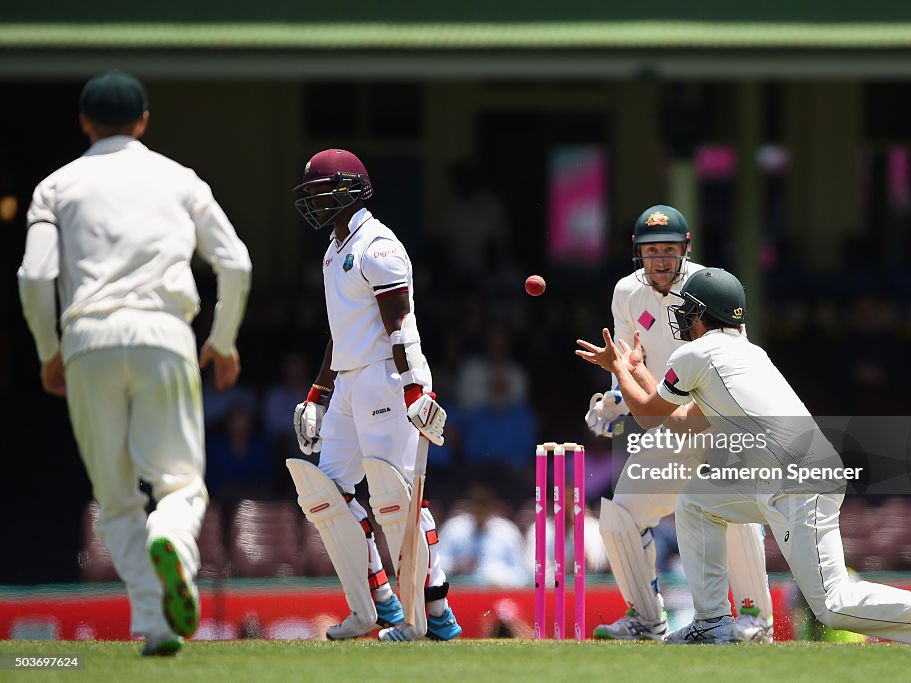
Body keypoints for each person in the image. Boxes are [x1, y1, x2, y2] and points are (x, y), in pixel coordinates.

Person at [576, 267, 911, 647]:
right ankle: (711, 622)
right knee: (697, 501)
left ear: (706, 313)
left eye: (690, 310)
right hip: (783, 477)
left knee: (832, 604)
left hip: (799, 482)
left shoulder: (697, 355)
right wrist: (636, 372)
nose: (684, 317)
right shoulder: (744, 354)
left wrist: (620, 368)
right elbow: (683, 421)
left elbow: (650, 417)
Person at [17, 69, 252, 657]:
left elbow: (34, 276)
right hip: (164, 334)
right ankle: (170, 538)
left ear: (84, 122)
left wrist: (49, 351)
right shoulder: (177, 179)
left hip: (87, 340)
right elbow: (237, 263)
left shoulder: (56, 185)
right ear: (144, 121)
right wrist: (221, 340)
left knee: (115, 499)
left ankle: (156, 622)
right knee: (179, 486)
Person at [287, 148, 461, 642]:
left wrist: (412, 391)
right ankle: (376, 604)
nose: (314, 203)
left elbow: (400, 327)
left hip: (388, 377)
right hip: (348, 380)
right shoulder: (332, 249)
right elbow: (342, 332)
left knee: (397, 500)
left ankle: (430, 616)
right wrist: (318, 394)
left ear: (348, 191)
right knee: (328, 495)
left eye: (321, 192)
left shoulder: (378, 246)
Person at [582, 205, 773, 642]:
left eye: (669, 250)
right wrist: (616, 396)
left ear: (685, 250)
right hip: (671, 422)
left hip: (716, 420)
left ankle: (754, 618)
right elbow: (627, 357)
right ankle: (645, 620)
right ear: (638, 254)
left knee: (732, 507)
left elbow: (733, 364)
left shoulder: (711, 287)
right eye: (651, 251)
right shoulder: (626, 293)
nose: (661, 260)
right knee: (621, 515)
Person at [438, 483, 531, 587]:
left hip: (497, 591)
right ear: (470, 506)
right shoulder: (454, 528)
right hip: (462, 590)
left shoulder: (507, 531)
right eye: (477, 505)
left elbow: (521, 572)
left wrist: (498, 575)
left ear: (491, 507)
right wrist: (455, 567)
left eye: (484, 505)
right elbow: (436, 563)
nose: (480, 510)